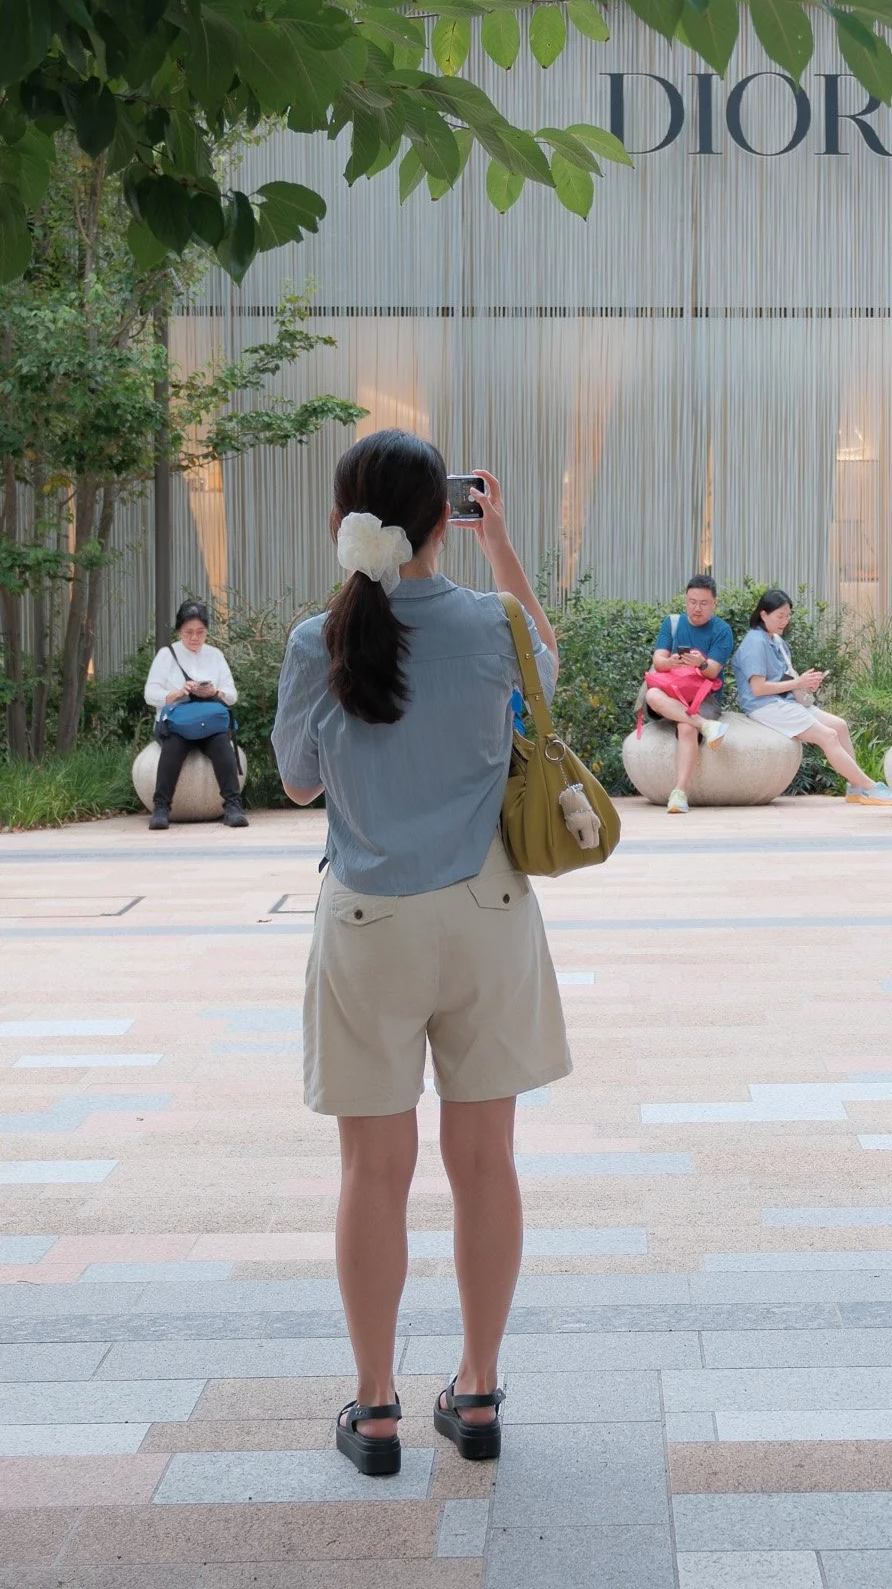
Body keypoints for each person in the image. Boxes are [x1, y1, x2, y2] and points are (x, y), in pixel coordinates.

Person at [271, 430, 571, 1479]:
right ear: (449, 516)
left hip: (368, 922)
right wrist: (504, 550)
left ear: (340, 523)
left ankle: (376, 1408)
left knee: (372, 1171)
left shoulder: (319, 638)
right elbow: (548, 674)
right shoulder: (493, 624)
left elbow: (298, 780)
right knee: (485, 1163)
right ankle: (476, 1391)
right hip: (487, 913)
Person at [731, 589, 892, 806]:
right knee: (828, 736)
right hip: (763, 705)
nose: (785, 621)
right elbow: (758, 689)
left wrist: (806, 684)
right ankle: (869, 787)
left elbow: (786, 680)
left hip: (784, 701)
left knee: (839, 725)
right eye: (780, 616)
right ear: (763, 614)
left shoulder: (777, 641)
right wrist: (798, 683)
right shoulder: (755, 642)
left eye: (788, 616)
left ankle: (855, 788)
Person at [143, 601, 245, 830]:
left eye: (200, 632)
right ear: (179, 630)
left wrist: (214, 692)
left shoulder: (215, 655)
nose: (195, 638)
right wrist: (177, 693)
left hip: (209, 724)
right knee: (171, 750)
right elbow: (150, 694)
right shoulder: (167, 655)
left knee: (223, 748)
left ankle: (233, 807)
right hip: (177, 724)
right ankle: (161, 809)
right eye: (188, 632)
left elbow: (232, 695)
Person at [642, 574, 735, 816]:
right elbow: (658, 661)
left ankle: (679, 793)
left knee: (686, 728)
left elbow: (713, 670)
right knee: (652, 696)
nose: (697, 608)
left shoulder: (722, 630)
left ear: (714, 603)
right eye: (692, 602)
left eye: (703, 603)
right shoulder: (672, 623)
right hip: (674, 692)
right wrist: (671, 662)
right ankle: (706, 725)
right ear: (685, 600)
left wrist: (700, 662)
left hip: (704, 696)